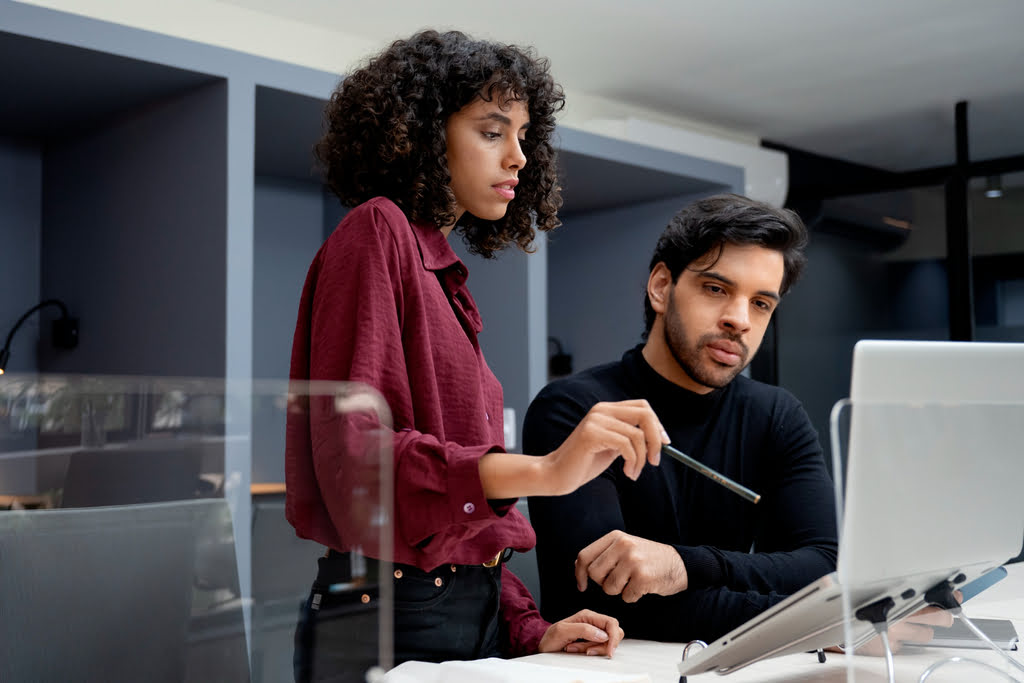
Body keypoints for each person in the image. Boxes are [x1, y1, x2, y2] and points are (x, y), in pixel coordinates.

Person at [284, 30, 671, 681]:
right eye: (493, 131)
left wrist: (529, 624)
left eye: (523, 136)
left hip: (465, 613)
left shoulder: (443, 277)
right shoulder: (377, 230)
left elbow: (464, 528)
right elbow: (355, 467)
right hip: (391, 617)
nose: (519, 156)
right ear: (421, 133)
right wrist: (544, 470)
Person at [523, 193, 955, 652]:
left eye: (761, 304)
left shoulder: (776, 414)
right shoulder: (574, 411)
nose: (739, 320)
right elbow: (618, 604)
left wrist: (684, 566)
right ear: (661, 287)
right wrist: (824, 623)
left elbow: (824, 566)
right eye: (716, 289)